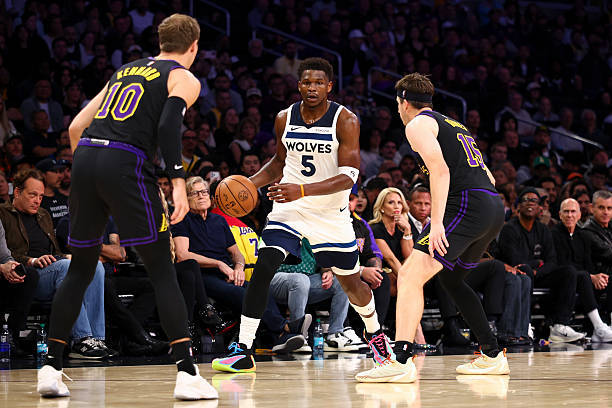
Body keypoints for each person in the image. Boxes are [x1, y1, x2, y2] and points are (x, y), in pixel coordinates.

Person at [36, 14, 217, 400]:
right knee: (162, 270)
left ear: (160, 41)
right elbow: (168, 127)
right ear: (194, 46)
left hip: (86, 157)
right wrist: (178, 183)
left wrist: (90, 172)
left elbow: (75, 127)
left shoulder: (126, 70)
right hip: (126, 162)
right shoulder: (183, 77)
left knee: (80, 269)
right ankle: (187, 374)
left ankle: (50, 368)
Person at [212, 57, 393, 373]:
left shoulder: (345, 120)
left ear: (329, 86)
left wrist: (303, 190)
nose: (312, 88)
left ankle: (376, 336)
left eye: (318, 82)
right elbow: (280, 163)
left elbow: (349, 176)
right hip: (290, 207)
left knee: (351, 284)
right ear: (298, 85)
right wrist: (249, 185)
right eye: (307, 82)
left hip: (329, 212)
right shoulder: (284, 118)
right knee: (264, 266)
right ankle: (243, 348)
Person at [357, 73, 508, 383]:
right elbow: (490, 177)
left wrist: (437, 222)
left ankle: (400, 360)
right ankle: (492, 355)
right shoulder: (454, 125)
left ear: (403, 101)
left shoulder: (417, 125)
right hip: (492, 207)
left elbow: (439, 171)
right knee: (452, 281)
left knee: (410, 275)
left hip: (466, 205)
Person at [551, 198, 612, 342]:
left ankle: (606, 324)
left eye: (573, 212)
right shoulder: (553, 234)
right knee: (581, 275)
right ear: (560, 215)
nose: (569, 215)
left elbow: (587, 262)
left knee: (608, 278)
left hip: (582, 277)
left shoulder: (582, 235)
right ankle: (598, 326)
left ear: (579, 215)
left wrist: (596, 276)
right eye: (566, 212)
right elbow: (560, 263)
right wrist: (591, 276)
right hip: (562, 277)